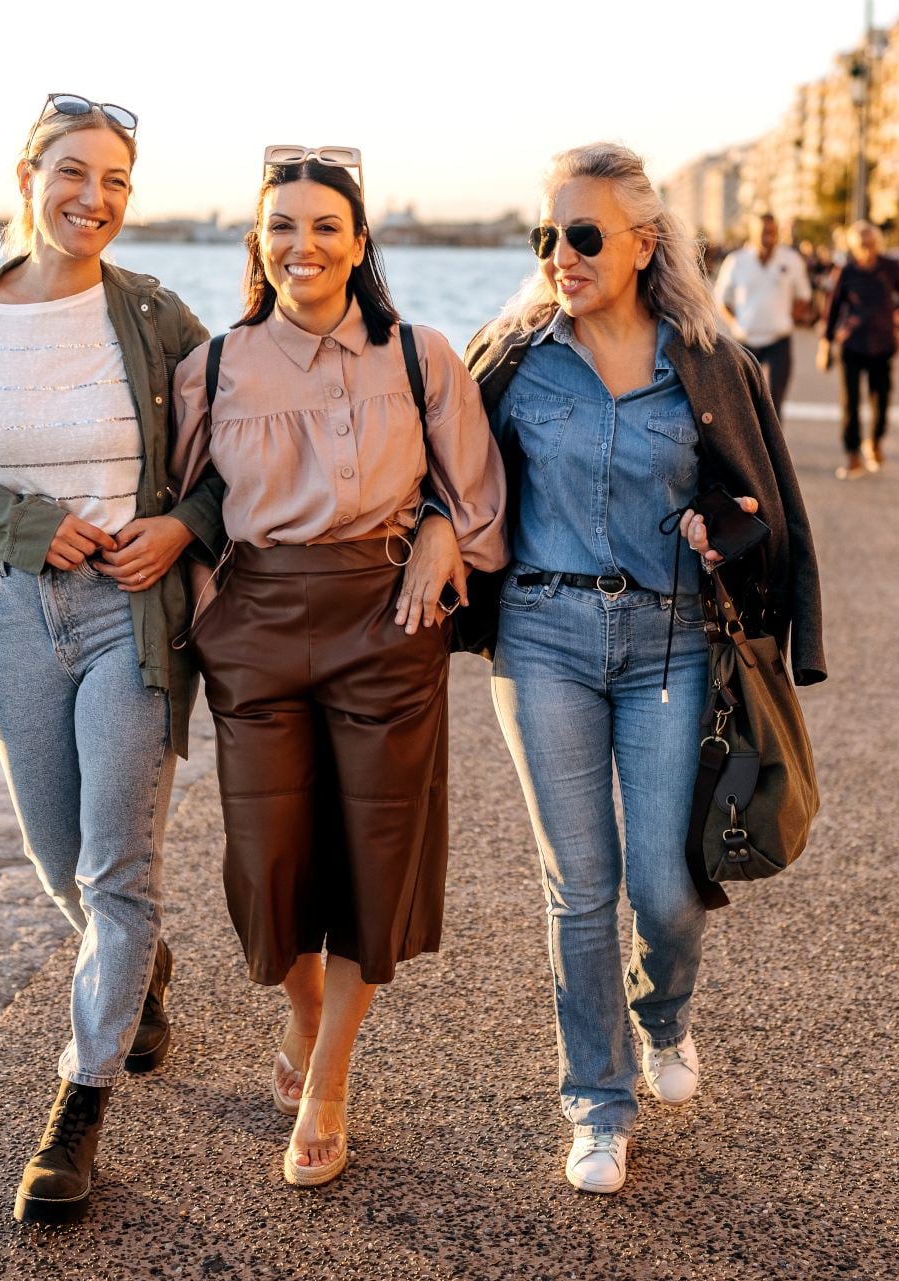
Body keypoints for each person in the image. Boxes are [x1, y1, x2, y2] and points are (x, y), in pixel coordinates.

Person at [0, 95, 221, 1226]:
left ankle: (78, 1107)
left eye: (118, 181)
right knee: (56, 860)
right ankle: (142, 972)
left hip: (133, 616)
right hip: (12, 611)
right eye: (75, 173)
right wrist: (24, 527)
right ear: (29, 175)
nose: (96, 199)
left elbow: (236, 458)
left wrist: (180, 527)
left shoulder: (157, 315)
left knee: (117, 873)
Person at [468, 142, 825, 1195]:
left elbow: (761, 499)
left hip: (672, 639)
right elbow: (447, 477)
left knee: (668, 889)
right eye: (548, 236)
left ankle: (662, 1014)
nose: (562, 255)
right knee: (581, 887)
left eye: (584, 235)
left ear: (643, 242)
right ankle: (598, 1104)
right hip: (542, 639)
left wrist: (731, 532)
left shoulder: (709, 359)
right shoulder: (514, 357)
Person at [171, 146, 507, 1188]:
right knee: (269, 862)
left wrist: (446, 534)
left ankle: (330, 1076)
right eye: (281, 226)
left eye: (325, 226)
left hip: (387, 618)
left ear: (360, 244)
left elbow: (481, 494)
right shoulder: (214, 367)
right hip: (258, 624)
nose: (301, 245)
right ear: (257, 243)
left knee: (375, 854)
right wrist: (211, 618)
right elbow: (181, 505)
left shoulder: (422, 357)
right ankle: (305, 1018)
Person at [820, 221, 899, 478]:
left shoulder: (890, 267)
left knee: (881, 399)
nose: (868, 249)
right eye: (862, 245)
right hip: (852, 344)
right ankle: (852, 456)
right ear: (853, 246)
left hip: (883, 343)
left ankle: (875, 442)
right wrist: (825, 343)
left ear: (878, 243)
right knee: (850, 402)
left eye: (871, 244)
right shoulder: (846, 271)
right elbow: (833, 308)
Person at [712, 212, 814, 414]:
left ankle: (772, 446)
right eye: (763, 232)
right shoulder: (736, 261)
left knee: (775, 403)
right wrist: (735, 323)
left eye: (772, 231)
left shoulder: (791, 259)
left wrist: (789, 319)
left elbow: (804, 295)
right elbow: (722, 299)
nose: (768, 236)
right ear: (752, 233)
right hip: (745, 340)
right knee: (744, 402)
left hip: (778, 339)